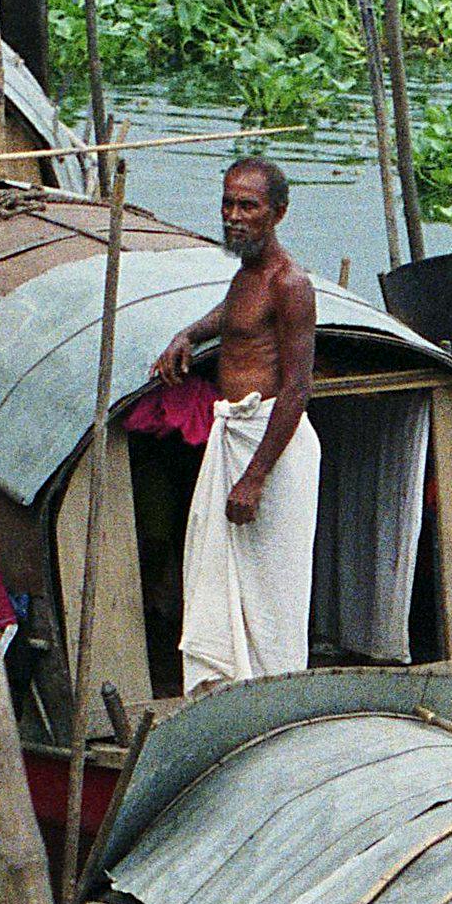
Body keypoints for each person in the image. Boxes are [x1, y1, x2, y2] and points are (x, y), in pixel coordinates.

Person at [152, 156, 318, 690]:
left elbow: (297, 387)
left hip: (273, 444)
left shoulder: (290, 284)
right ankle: (229, 688)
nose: (233, 216)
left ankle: (276, 693)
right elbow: (231, 319)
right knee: (218, 572)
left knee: (273, 588)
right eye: (228, 203)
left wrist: (256, 475)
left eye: (248, 205)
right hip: (236, 436)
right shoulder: (247, 274)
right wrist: (188, 334)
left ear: (278, 213)